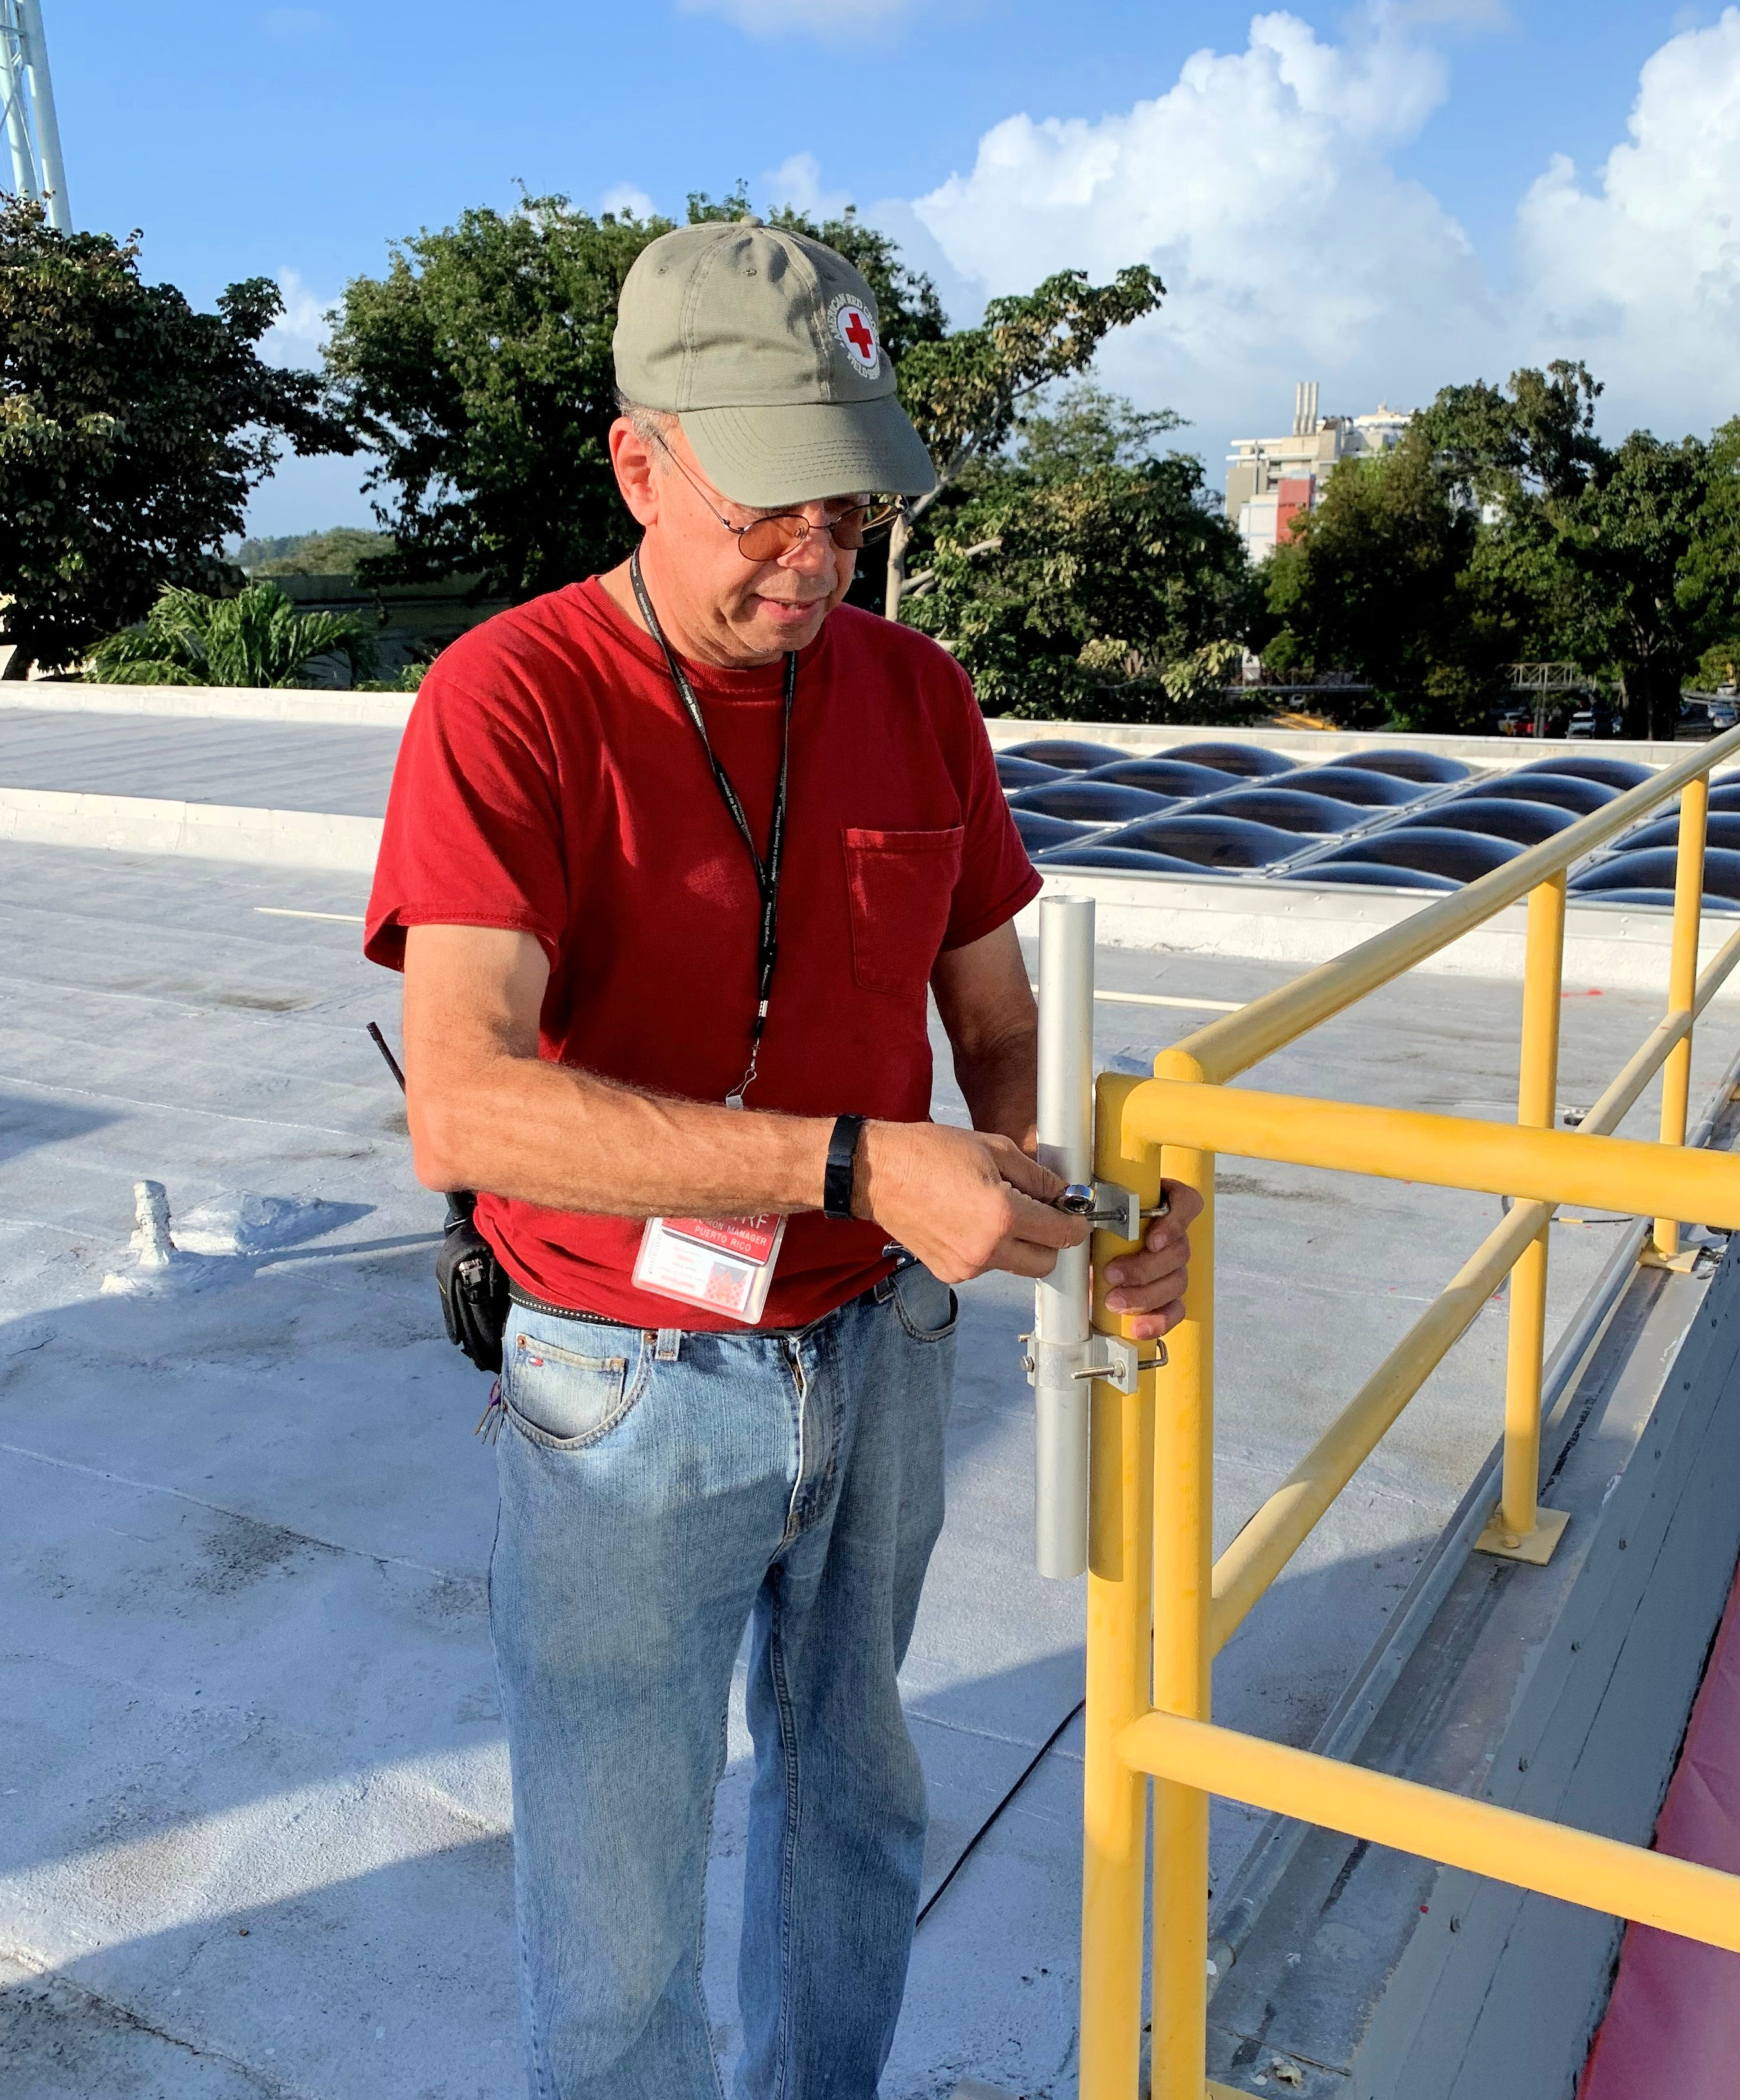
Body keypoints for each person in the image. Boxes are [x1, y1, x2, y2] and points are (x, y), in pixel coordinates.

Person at [364, 215, 1197, 2100]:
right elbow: (464, 1103)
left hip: (880, 1348)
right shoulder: (511, 697)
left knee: (856, 1821)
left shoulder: (915, 693)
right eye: (767, 509)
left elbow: (996, 1029)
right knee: (617, 1927)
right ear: (638, 462)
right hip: (625, 1384)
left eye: (848, 508)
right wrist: (858, 1166)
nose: (813, 557)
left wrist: (1076, 1213)